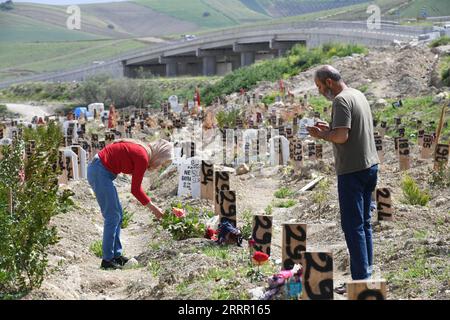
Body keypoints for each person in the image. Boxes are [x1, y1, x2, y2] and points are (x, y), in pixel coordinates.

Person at [306, 65, 379, 294]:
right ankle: (366, 273)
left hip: (352, 171)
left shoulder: (340, 100)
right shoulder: (358, 94)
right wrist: (330, 129)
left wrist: (322, 135)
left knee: (353, 226)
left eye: (319, 86)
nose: (319, 91)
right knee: (364, 223)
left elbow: (341, 136)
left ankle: (359, 281)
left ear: (329, 81)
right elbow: (347, 130)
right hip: (370, 166)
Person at [87, 139, 173, 270]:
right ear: (159, 155)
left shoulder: (142, 152)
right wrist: (155, 210)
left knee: (118, 215)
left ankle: (116, 255)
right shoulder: (142, 156)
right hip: (100, 172)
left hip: (102, 171)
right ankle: (107, 260)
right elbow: (135, 190)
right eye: (161, 163)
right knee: (112, 216)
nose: (159, 167)